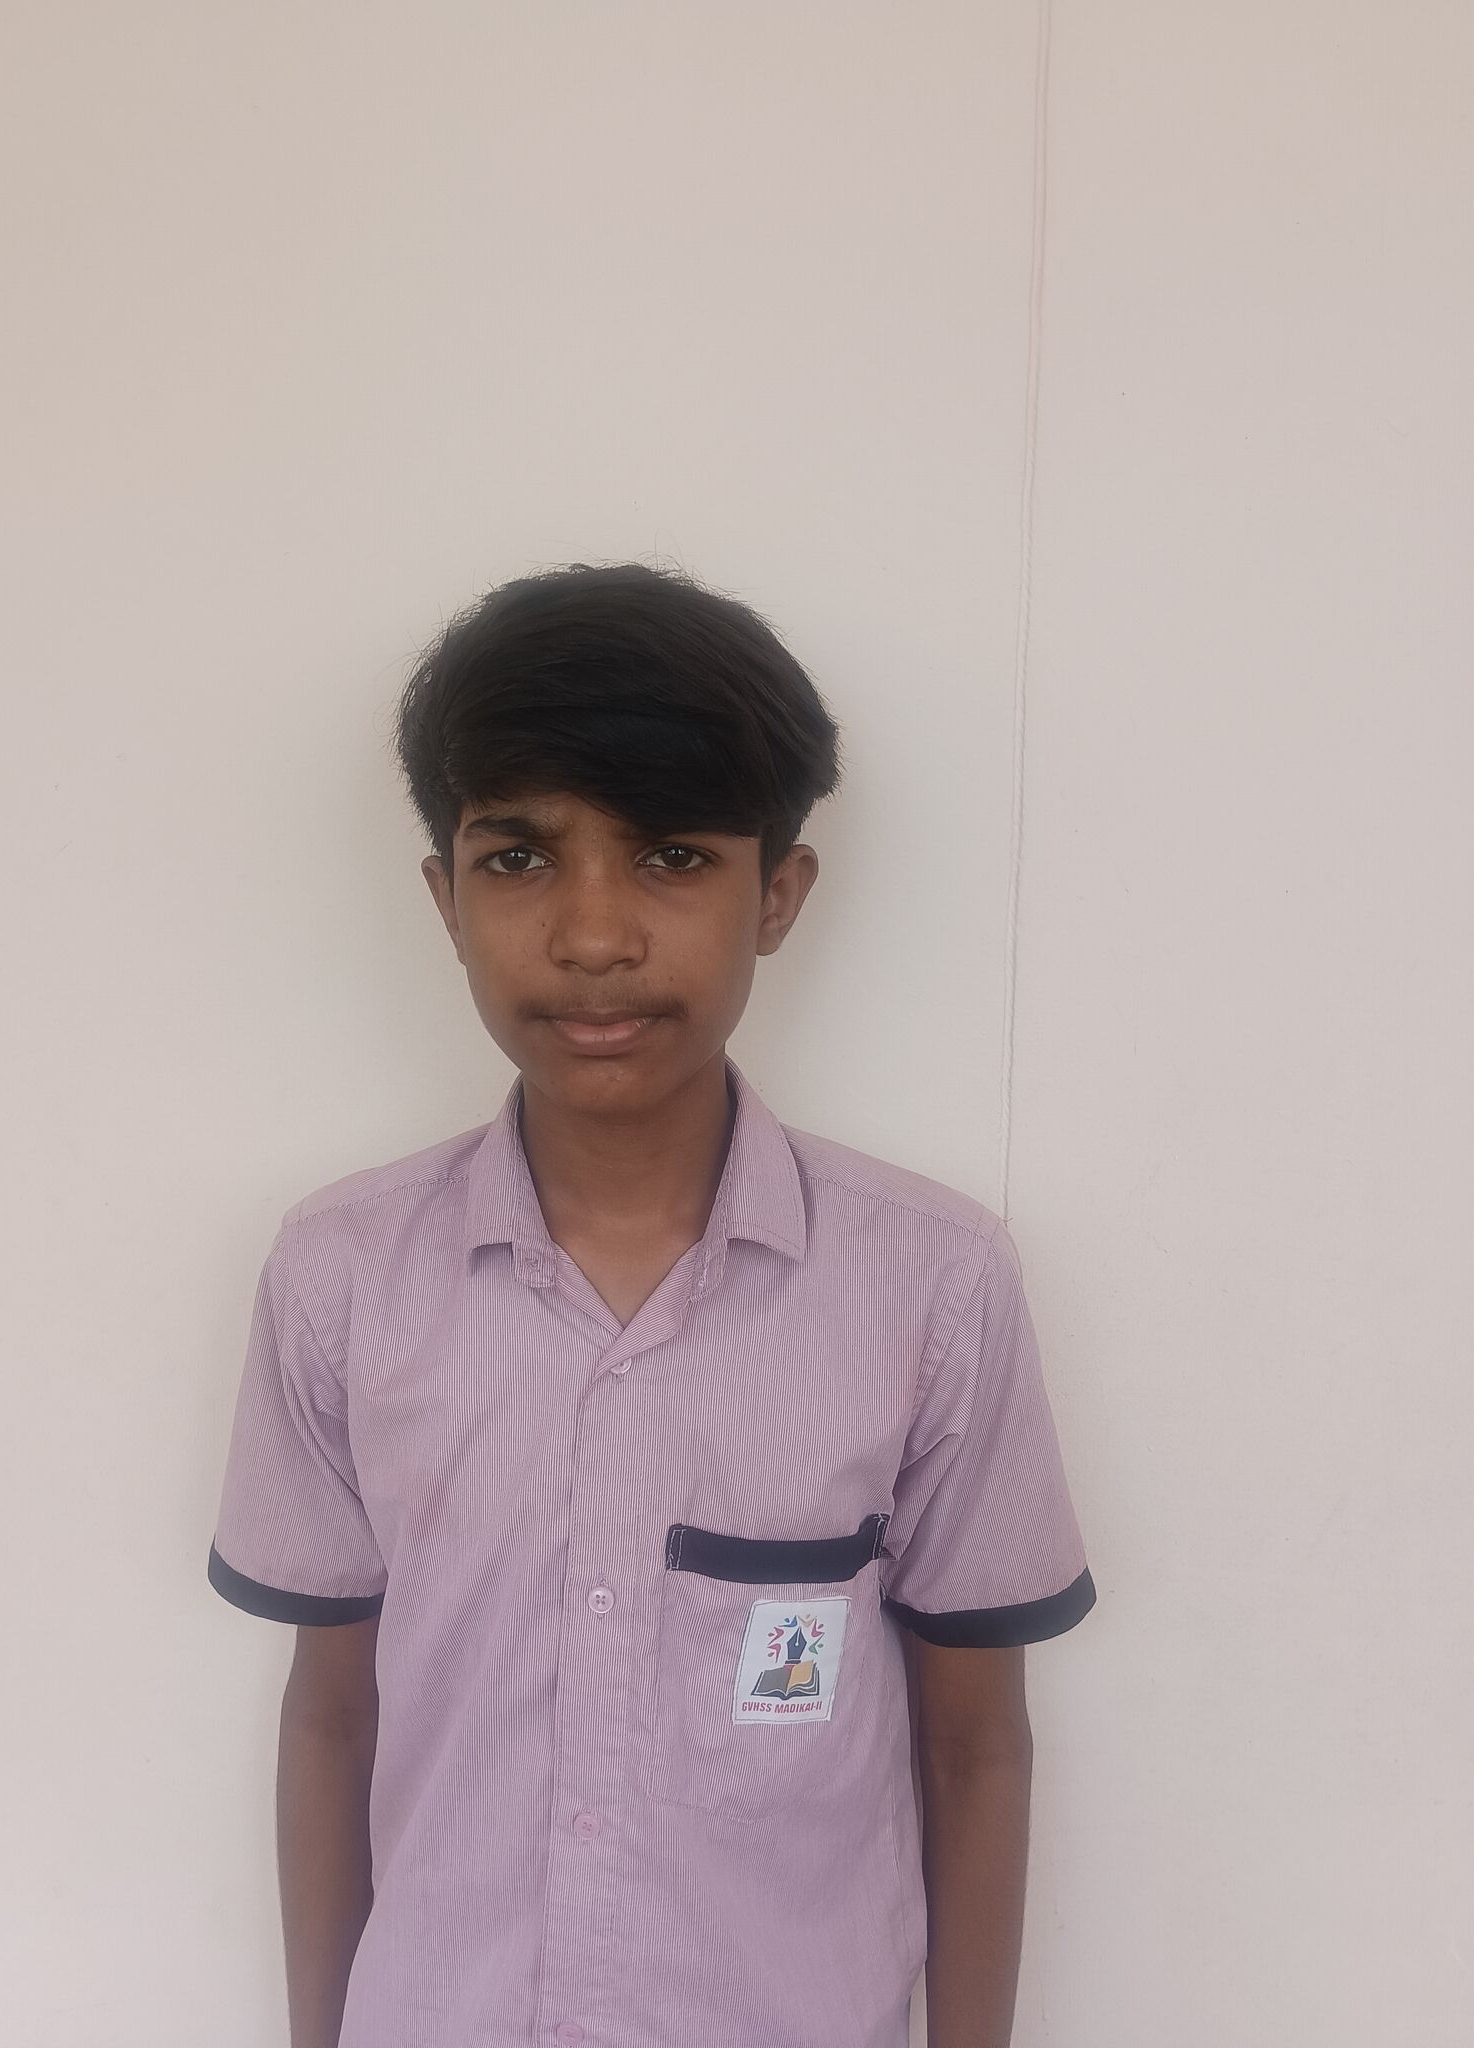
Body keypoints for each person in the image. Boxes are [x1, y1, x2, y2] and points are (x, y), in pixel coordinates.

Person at [206, 560, 1097, 2048]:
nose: (594, 935)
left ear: (779, 895)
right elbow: (333, 1715)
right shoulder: (341, 1274)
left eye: (672, 855)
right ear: (444, 898)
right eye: (519, 857)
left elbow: (972, 1748)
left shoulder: (932, 1283)